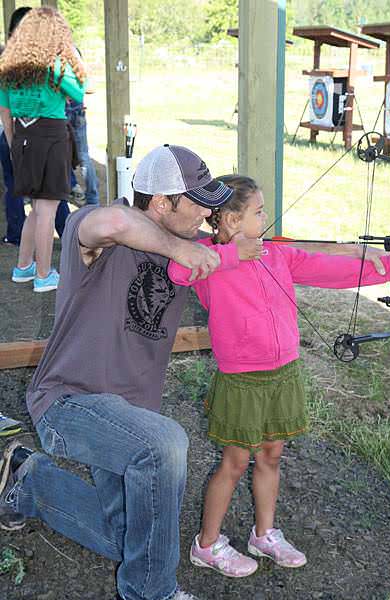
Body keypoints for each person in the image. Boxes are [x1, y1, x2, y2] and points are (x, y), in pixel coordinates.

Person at [0, 144, 238, 600]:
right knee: (166, 444)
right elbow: (114, 223)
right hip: (68, 403)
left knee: (133, 543)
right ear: (161, 202)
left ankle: (29, 479)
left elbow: (261, 253)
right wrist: (180, 249)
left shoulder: (189, 243)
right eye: (199, 203)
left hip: (127, 417)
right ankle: (151, 594)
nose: (207, 216)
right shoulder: (98, 231)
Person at [167, 174, 390, 577]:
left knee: (271, 454)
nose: (266, 217)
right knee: (234, 461)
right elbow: (179, 272)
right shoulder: (207, 257)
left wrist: (387, 268)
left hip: (283, 373)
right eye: (259, 211)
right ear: (229, 220)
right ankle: (207, 544)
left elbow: (327, 270)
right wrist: (235, 254)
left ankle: (263, 534)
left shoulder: (275, 255)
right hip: (242, 379)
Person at [0, 6, 86, 292]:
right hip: (50, 136)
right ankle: (44, 274)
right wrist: (68, 54)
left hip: (21, 136)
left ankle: (23, 267)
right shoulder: (56, 65)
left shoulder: (10, 68)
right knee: (48, 209)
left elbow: (5, 112)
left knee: (36, 209)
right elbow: (80, 91)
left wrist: (14, 147)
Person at [0, 6, 70, 246]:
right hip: (39, 133)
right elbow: (81, 88)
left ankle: (18, 242)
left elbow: (6, 109)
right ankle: (62, 240)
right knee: (48, 201)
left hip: (16, 134)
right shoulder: (42, 60)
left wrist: (11, 143)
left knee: (26, 196)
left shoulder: (8, 59)